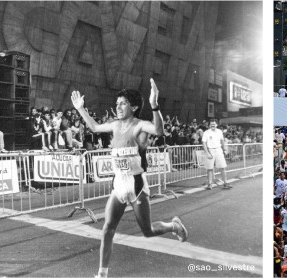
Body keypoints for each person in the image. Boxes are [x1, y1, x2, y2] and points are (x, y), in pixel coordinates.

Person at [72, 80, 187, 278]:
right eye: (117, 103)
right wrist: (81, 109)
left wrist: (154, 105)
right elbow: (95, 127)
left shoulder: (140, 126)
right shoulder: (115, 125)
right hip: (118, 185)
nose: (117, 107)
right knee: (107, 228)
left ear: (133, 107)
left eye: (122, 103)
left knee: (148, 231)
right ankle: (102, 274)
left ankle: (173, 226)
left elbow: (159, 131)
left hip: (137, 185)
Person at [202, 118, 231, 189]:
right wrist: (208, 153)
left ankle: (225, 183)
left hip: (218, 150)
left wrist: (224, 149)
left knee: (222, 167)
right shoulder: (206, 132)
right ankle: (209, 184)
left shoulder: (219, 131)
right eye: (211, 124)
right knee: (209, 168)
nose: (212, 125)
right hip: (210, 150)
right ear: (209, 125)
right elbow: (204, 143)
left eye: (214, 124)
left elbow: (222, 141)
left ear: (216, 125)